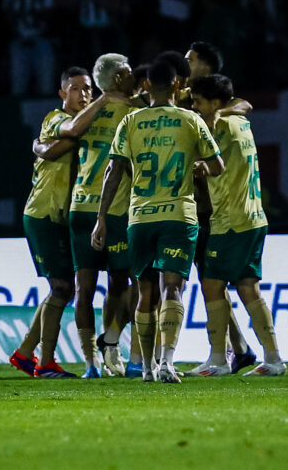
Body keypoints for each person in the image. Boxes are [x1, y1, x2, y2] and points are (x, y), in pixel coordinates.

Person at [91, 60, 224, 383]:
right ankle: (166, 362)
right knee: (172, 289)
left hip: (140, 217)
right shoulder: (190, 120)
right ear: (177, 85)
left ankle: (148, 368)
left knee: (145, 291)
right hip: (178, 215)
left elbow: (113, 170)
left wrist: (101, 219)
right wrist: (200, 168)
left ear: (146, 86)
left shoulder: (131, 121)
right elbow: (217, 166)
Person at [10, 66, 117, 378]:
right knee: (61, 287)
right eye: (75, 88)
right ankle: (44, 362)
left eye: (88, 89)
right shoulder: (56, 119)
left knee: (63, 288)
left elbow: (58, 147)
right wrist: (104, 101)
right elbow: (68, 138)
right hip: (43, 212)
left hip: (61, 213)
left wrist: (39, 147)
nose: (82, 94)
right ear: (62, 94)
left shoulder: (86, 122)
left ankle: (26, 353)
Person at [187, 74, 286, 377]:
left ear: (216, 104)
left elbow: (203, 156)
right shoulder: (240, 123)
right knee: (247, 287)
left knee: (212, 285)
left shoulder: (218, 126)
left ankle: (218, 358)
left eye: (198, 102)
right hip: (254, 217)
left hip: (231, 221)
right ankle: (273, 359)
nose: (193, 107)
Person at [183, 41, 257, 374]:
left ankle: (232, 351)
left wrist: (212, 115)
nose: (186, 64)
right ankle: (238, 348)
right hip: (197, 203)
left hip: (215, 207)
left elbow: (245, 104)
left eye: (191, 60)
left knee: (215, 280)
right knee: (210, 280)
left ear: (208, 66)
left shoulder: (216, 100)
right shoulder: (188, 97)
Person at [67, 53, 135, 379]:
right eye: (129, 71)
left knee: (118, 284)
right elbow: (70, 132)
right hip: (97, 209)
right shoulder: (105, 111)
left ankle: (109, 346)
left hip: (105, 208)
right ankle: (93, 359)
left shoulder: (130, 110)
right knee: (92, 288)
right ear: (120, 77)